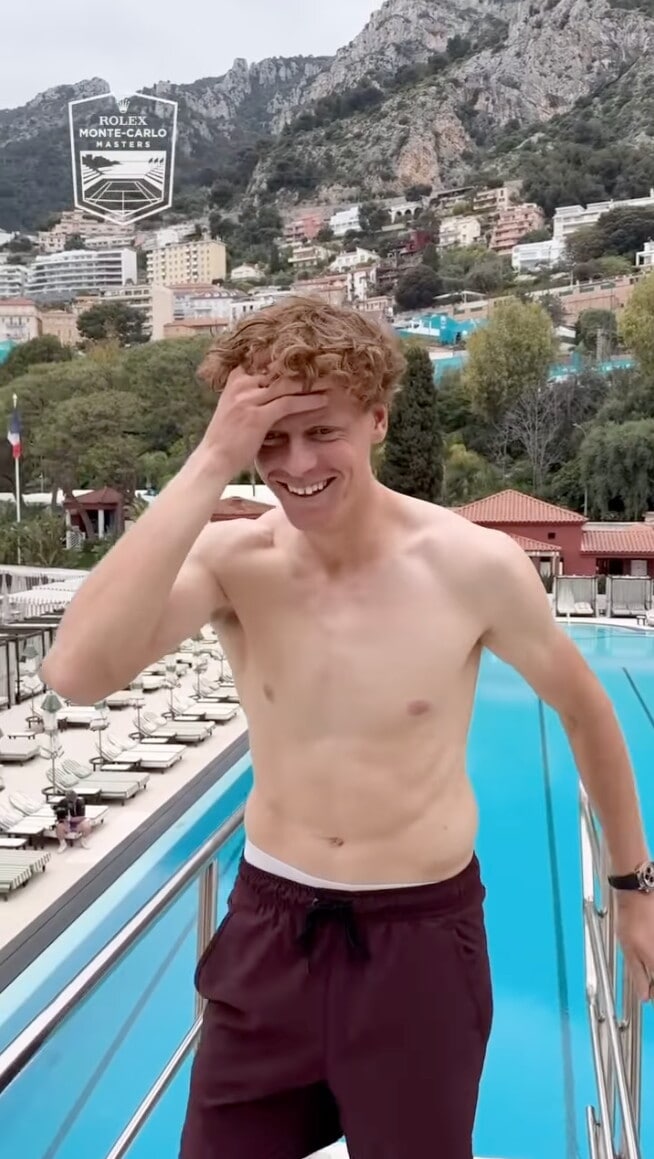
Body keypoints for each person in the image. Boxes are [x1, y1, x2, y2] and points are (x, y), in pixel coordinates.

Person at [42, 297, 654, 1159]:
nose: (295, 465)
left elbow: (586, 710)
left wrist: (634, 891)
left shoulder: (470, 566)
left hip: (418, 940)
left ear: (378, 418)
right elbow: (75, 672)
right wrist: (212, 459)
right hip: (267, 928)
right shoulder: (236, 562)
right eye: (270, 440)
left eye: (320, 431)